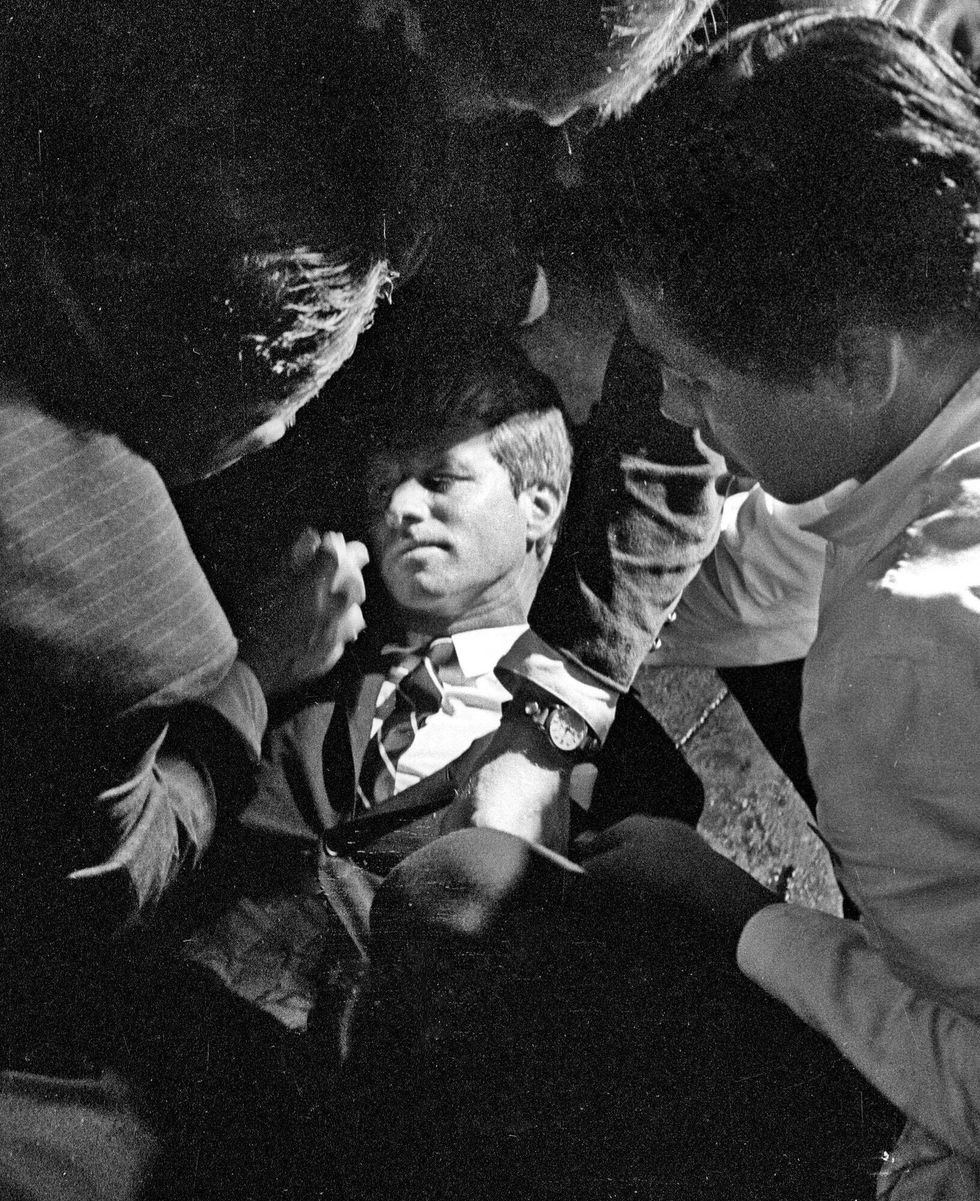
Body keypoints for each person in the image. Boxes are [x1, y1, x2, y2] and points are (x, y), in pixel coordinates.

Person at [582, 12, 980, 1196]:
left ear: (861, 362)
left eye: (698, 373)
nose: (668, 403)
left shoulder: (900, 662)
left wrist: (740, 913)